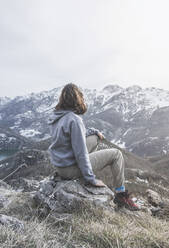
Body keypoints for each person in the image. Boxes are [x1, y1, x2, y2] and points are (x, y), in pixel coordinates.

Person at [48, 83, 139, 210]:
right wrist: (90, 179)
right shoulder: (74, 119)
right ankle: (121, 195)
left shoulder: (57, 116)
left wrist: (93, 131)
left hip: (60, 166)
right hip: (70, 169)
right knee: (116, 154)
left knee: (95, 138)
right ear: (77, 99)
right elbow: (80, 154)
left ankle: (85, 171)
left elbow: (71, 136)